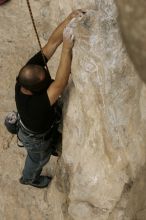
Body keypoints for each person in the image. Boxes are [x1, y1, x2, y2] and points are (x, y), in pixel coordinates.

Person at [15, 10, 85, 188]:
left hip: (35, 124)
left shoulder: (27, 74)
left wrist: (68, 20)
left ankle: (51, 143)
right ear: (36, 90)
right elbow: (60, 83)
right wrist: (67, 48)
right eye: (46, 79)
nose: (47, 74)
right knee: (38, 159)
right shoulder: (36, 105)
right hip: (36, 138)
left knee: (50, 131)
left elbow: (51, 45)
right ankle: (29, 178)